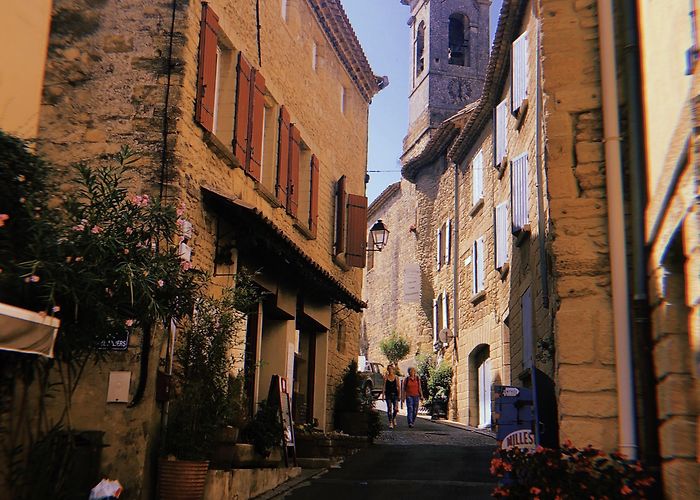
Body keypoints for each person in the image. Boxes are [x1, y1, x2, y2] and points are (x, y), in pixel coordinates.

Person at [382, 364, 400, 428]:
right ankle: (390, 422)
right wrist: (383, 395)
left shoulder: (396, 377)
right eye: (389, 369)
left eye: (391, 369)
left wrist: (399, 395)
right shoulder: (386, 377)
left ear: (393, 370)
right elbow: (384, 386)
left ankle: (394, 417)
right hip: (388, 394)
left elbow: (398, 387)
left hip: (395, 394)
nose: (390, 370)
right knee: (389, 408)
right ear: (388, 370)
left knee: (395, 409)